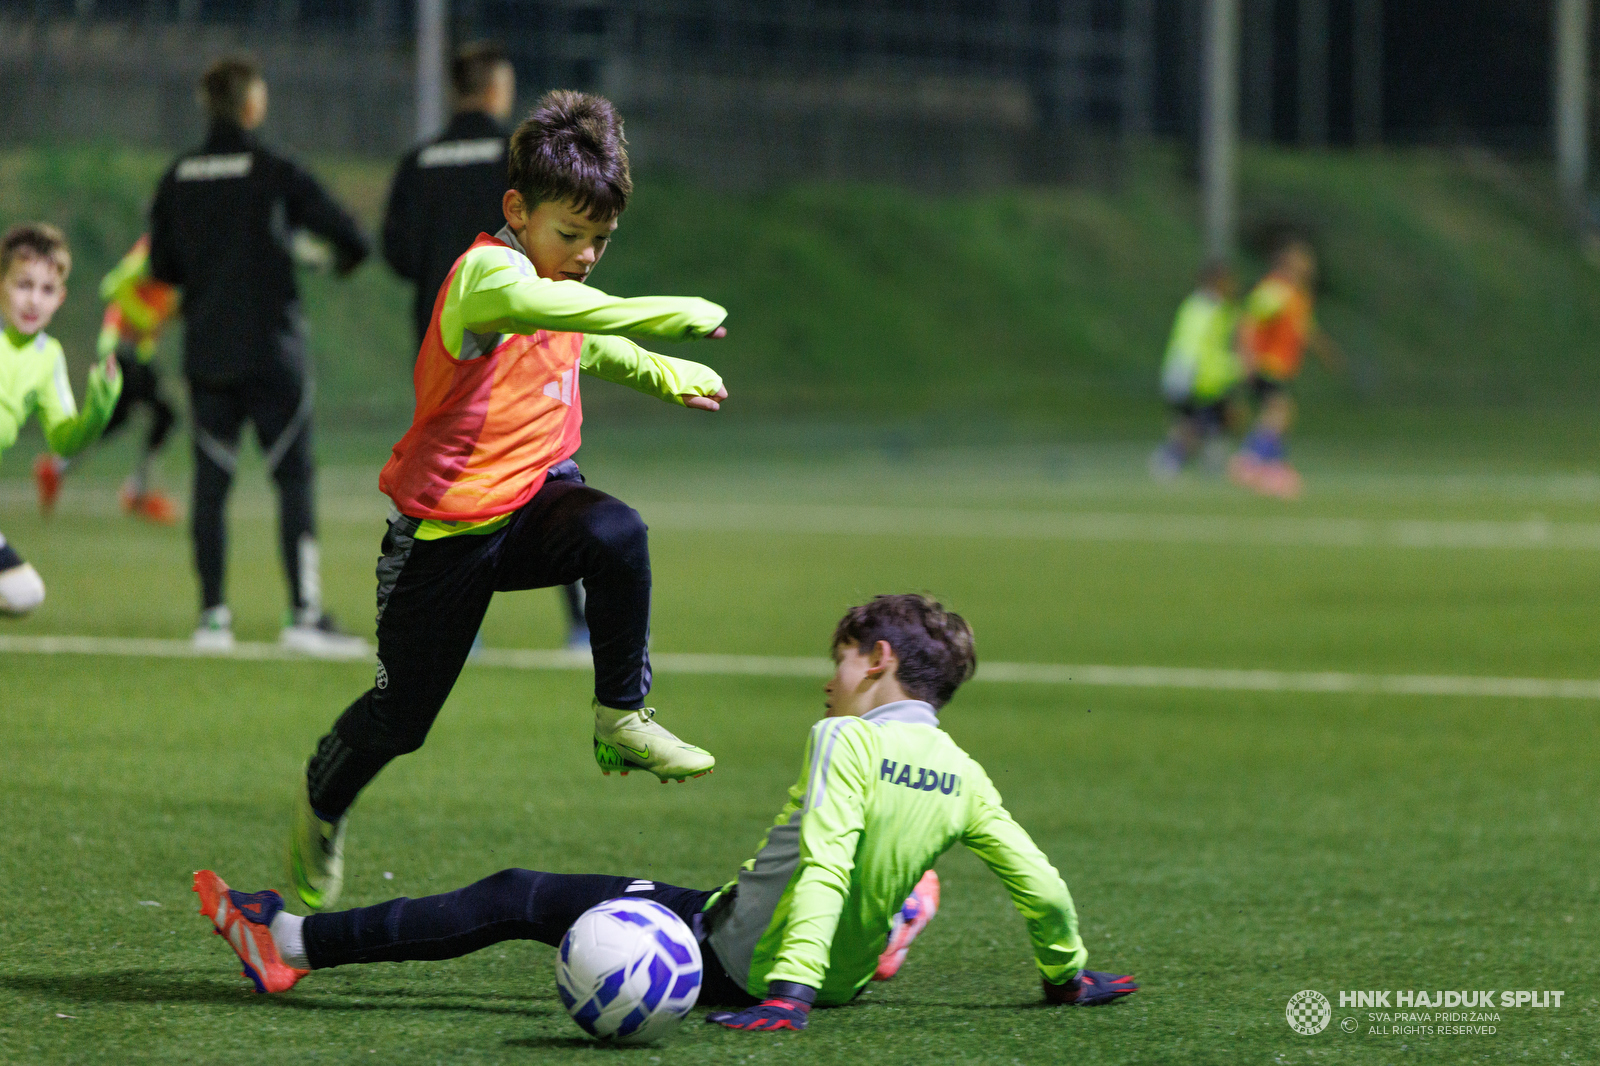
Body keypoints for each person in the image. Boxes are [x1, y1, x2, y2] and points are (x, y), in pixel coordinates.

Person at [194, 594, 1138, 1029]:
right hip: (822, 964)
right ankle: (881, 929)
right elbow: (1039, 883)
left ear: (880, 657)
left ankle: (286, 944)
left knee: (519, 894)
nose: (829, 679)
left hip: (741, 960)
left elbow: (824, 861)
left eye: (842, 658)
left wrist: (790, 995)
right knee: (850, 884)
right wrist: (1067, 976)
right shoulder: (963, 771)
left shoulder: (847, 741)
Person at [285, 90, 732, 915]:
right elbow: (550, 308)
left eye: (602, 239)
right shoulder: (488, 274)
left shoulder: (557, 270)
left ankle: (620, 718)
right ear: (516, 210)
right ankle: (322, 798)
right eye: (571, 235)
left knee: (616, 532)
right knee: (400, 721)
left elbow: (579, 336)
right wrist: (663, 319)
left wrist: (661, 374)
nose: (588, 254)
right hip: (444, 536)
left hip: (533, 503)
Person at [148, 54, 372, 655]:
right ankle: (303, 614)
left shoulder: (179, 176)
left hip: (209, 355)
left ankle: (212, 619)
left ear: (207, 105)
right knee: (294, 477)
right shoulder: (275, 171)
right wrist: (326, 260)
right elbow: (352, 237)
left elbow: (160, 268)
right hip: (274, 353)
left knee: (211, 483)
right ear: (252, 105)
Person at [382, 41, 589, 652]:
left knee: (450, 476)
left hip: (447, 345)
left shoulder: (420, 162)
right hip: (524, 342)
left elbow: (395, 251)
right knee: (545, 464)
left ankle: (450, 618)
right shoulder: (515, 163)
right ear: (498, 90)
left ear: (454, 89)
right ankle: (580, 622)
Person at [0, 224, 122, 613]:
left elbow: (63, 440)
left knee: (24, 594)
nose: (34, 300)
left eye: (47, 289)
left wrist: (97, 412)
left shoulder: (47, 356)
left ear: (60, 298)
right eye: (23, 285)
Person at [33, 235, 181, 525]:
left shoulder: (178, 252)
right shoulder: (155, 251)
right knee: (162, 415)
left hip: (134, 354)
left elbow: (161, 302)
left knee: (123, 419)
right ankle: (136, 493)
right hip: (121, 349)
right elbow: (113, 286)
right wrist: (146, 319)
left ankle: (56, 468)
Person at [1227, 239, 1343, 499]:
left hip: (1281, 367)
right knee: (1280, 410)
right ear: (1289, 262)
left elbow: (1305, 330)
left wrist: (1327, 352)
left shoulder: (1296, 295)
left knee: (1281, 413)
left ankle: (1269, 466)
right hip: (1266, 363)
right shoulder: (1275, 290)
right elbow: (1248, 321)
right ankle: (1251, 461)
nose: (1308, 265)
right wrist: (1247, 356)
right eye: (1303, 259)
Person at [1149, 260, 1243, 479]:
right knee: (1203, 423)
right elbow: (1202, 347)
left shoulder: (1195, 304)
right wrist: (1234, 368)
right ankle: (1173, 458)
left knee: (1199, 423)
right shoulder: (1211, 309)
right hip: (1199, 377)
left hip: (1189, 373)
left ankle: (1183, 457)